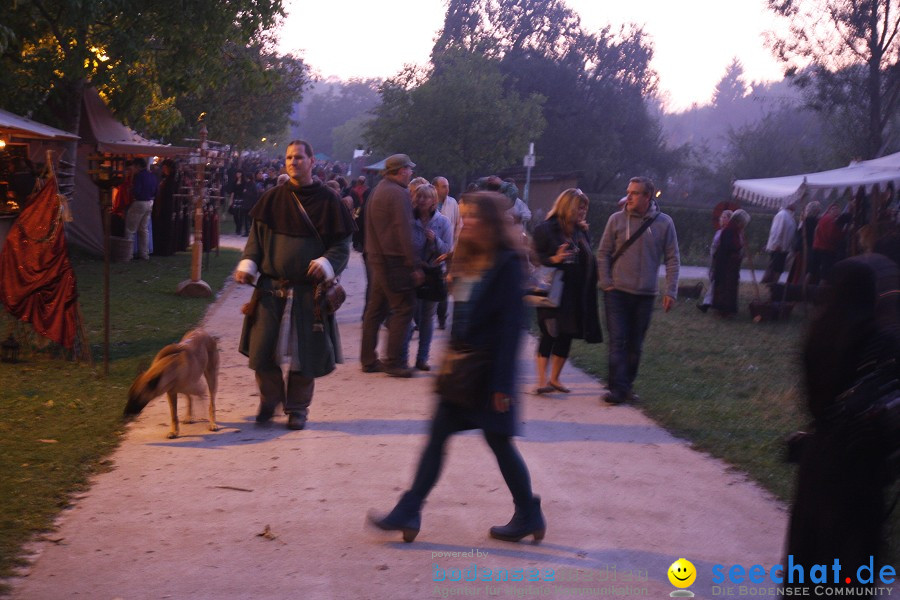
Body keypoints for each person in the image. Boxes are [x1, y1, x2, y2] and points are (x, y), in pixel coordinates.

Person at [368, 191, 546, 544]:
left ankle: (528, 512)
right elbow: (462, 316)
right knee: (438, 438)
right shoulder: (473, 255)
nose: (469, 223)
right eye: (465, 217)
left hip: (490, 374)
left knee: (499, 443)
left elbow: (511, 331)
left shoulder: (509, 263)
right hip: (463, 371)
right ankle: (410, 509)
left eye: (476, 217)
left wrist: (500, 387)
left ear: (494, 221)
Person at [786, 253, 900, 586]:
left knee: (809, 564)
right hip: (859, 469)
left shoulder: (817, 337)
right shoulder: (880, 342)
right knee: (849, 568)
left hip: (817, 463)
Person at [234, 140, 355, 430]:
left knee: (306, 356)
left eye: (299, 157)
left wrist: (327, 263)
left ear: (312, 161)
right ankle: (270, 399)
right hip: (270, 288)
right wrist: (249, 263)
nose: (293, 162)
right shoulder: (272, 198)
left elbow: (342, 246)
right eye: (289, 157)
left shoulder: (329, 201)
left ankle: (298, 408)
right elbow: (256, 240)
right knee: (263, 352)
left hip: (308, 293)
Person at [597, 176, 680, 405]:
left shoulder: (664, 223)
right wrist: (606, 282)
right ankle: (617, 389)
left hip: (644, 295)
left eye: (635, 193)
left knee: (635, 344)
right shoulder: (616, 220)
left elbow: (673, 258)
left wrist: (671, 291)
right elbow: (603, 253)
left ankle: (627, 386)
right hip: (617, 292)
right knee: (618, 341)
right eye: (628, 192)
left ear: (647, 197)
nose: (629, 197)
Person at [531, 188, 602, 394]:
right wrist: (554, 259)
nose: (583, 212)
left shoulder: (582, 231)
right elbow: (534, 258)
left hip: (575, 291)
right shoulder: (546, 229)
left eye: (585, 208)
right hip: (552, 290)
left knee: (567, 333)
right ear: (567, 206)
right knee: (550, 332)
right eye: (579, 208)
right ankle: (542, 380)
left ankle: (555, 379)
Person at [359, 154, 423, 378]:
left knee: (375, 311)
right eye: (409, 169)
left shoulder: (379, 189)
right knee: (404, 308)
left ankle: (368, 360)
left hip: (376, 257)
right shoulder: (398, 193)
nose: (411, 173)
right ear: (401, 171)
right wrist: (414, 264)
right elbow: (403, 230)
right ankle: (394, 362)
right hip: (393, 259)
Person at [405, 183, 452, 371]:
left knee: (427, 318)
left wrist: (436, 241)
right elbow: (403, 245)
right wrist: (414, 265)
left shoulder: (443, 222)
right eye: (419, 196)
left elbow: (447, 250)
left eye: (426, 197)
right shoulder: (409, 220)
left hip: (432, 274)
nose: (422, 200)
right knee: (408, 316)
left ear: (434, 201)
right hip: (412, 273)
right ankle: (402, 356)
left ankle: (422, 358)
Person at [433, 176, 461, 330]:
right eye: (444, 186)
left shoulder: (453, 203)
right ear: (435, 187)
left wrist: (453, 249)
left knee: (444, 287)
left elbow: (458, 225)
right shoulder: (428, 201)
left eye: (447, 185)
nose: (447, 189)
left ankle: (442, 318)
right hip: (431, 252)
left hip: (448, 252)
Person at [711, 209, 751, 317]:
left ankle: (728, 310)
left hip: (731, 265)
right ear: (739, 221)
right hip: (725, 265)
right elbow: (728, 247)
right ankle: (723, 310)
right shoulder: (729, 231)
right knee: (725, 287)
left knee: (730, 287)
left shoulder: (735, 231)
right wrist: (737, 252)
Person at [698, 209, 732, 312]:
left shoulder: (728, 233)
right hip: (715, 258)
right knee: (713, 278)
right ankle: (712, 302)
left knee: (716, 281)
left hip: (722, 260)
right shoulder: (719, 232)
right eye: (721, 217)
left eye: (724, 217)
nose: (722, 219)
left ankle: (707, 303)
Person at [126, 157, 157, 260]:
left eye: (134, 167)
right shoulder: (152, 176)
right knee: (144, 229)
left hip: (139, 202)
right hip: (150, 202)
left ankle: (128, 254)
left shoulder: (138, 176)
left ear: (138, 166)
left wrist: (132, 190)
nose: (133, 169)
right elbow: (156, 190)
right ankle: (144, 254)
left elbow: (137, 191)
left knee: (130, 229)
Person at [761, 200, 797, 284]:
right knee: (775, 268)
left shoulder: (789, 215)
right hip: (779, 247)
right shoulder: (782, 215)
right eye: (793, 203)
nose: (795, 204)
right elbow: (777, 231)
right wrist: (777, 244)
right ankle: (770, 283)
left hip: (783, 248)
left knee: (778, 268)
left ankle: (772, 283)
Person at [810, 202, 846, 284]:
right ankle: (821, 293)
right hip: (827, 249)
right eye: (834, 209)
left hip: (816, 247)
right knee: (824, 274)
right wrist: (843, 233)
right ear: (830, 210)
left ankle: (805, 290)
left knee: (812, 271)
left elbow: (816, 232)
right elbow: (832, 236)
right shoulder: (831, 220)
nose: (836, 211)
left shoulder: (822, 218)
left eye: (837, 209)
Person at [152, 159, 178, 256]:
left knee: (166, 227)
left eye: (164, 168)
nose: (163, 170)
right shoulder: (167, 178)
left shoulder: (171, 180)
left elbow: (167, 194)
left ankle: (165, 249)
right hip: (165, 206)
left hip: (167, 207)